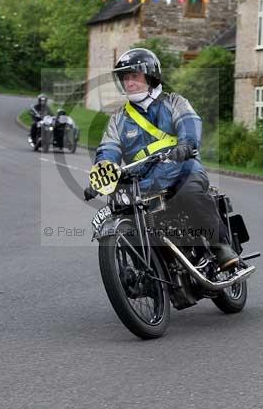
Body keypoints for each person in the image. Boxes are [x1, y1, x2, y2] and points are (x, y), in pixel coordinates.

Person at [85, 48, 238, 271]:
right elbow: (108, 148)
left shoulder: (174, 102)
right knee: (123, 209)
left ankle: (219, 246)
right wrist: (102, 175)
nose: (129, 83)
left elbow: (189, 123)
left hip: (182, 167)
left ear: (150, 76)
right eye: (125, 78)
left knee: (190, 192)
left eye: (134, 76)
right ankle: (148, 268)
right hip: (143, 180)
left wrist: (185, 145)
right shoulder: (118, 118)